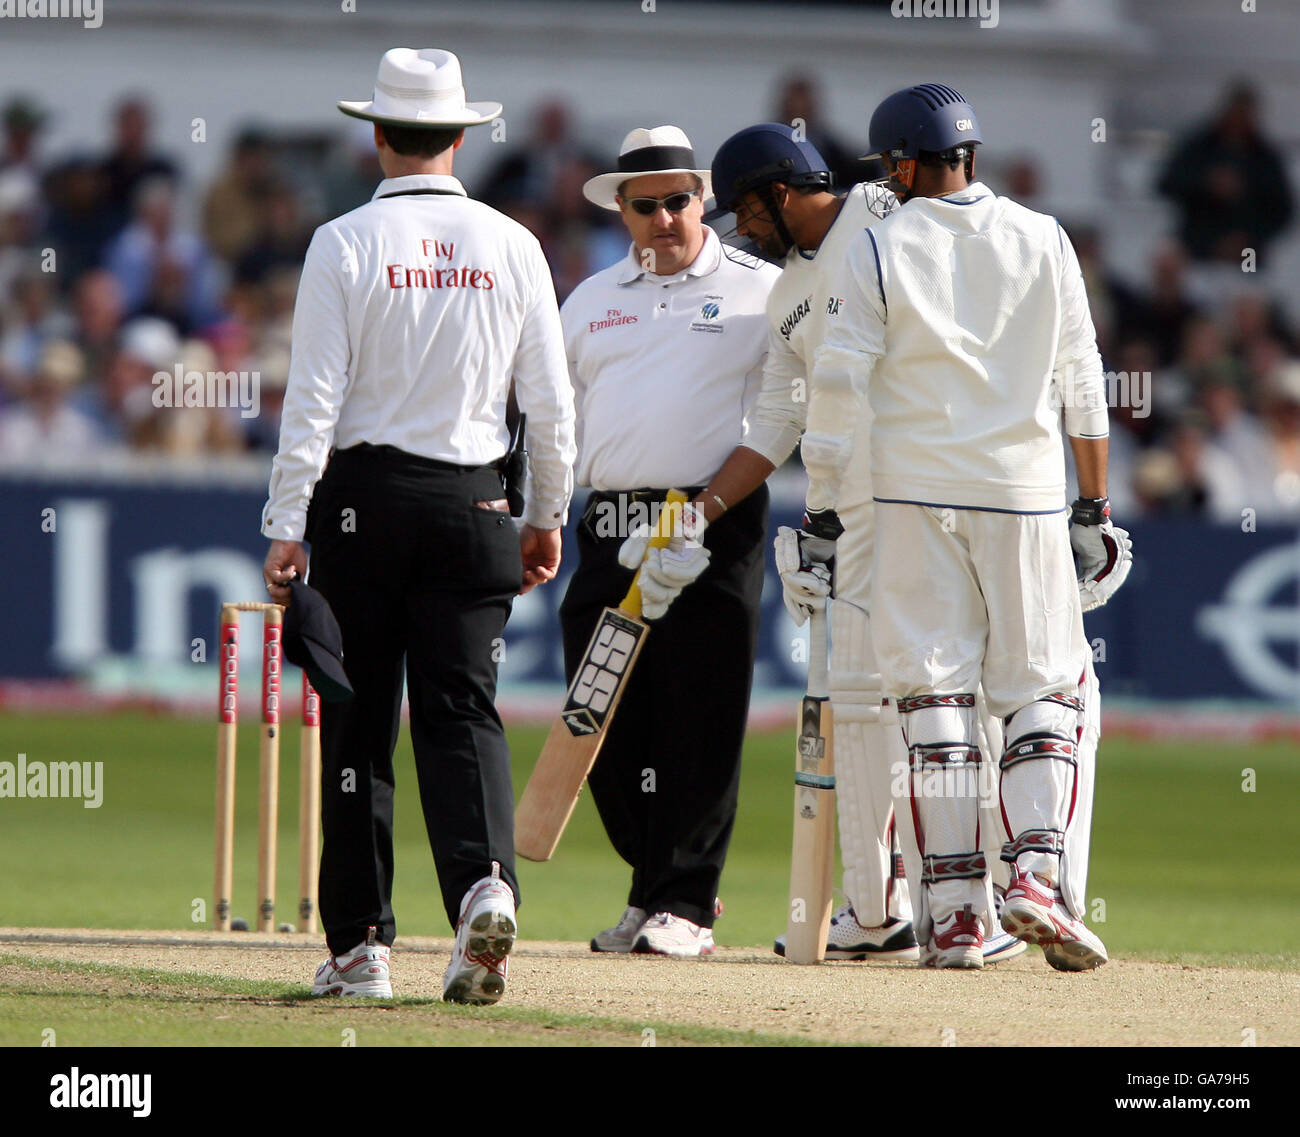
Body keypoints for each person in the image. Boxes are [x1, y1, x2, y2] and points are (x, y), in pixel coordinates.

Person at [260, 48, 576, 1004]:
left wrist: (287, 521)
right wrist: (544, 515)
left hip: (362, 504)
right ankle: (485, 886)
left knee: (357, 721)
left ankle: (359, 949)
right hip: (477, 500)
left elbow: (311, 401)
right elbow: (554, 408)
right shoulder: (515, 244)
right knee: (461, 712)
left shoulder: (343, 241)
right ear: (464, 135)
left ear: (376, 135)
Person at [686, 123, 1027, 965]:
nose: (744, 232)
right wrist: (695, 511)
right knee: (857, 695)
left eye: (748, 211)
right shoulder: (782, 295)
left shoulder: (887, 209)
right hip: (850, 509)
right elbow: (778, 419)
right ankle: (877, 908)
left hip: (937, 481)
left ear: (782, 189)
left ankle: (977, 896)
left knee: (954, 692)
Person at [808, 83, 1130, 969]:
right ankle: (1031, 875)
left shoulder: (878, 245)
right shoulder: (1044, 236)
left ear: (904, 165)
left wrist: (825, 508)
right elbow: (1083, 381)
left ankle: (952, 913)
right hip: (1023, 497)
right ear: (971, 156)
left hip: (912, 498)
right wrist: (1094, 506)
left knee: (936, 698)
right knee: (1043, 689)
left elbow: (836, 393)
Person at [558, 126, 779, 957]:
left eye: (678, 201)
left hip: (713, 515)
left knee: (701, 708)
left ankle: (685, 900)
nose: (663, 218)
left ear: (703, 201)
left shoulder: (761, 289)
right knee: (601, 711)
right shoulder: (589, 298)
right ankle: (651, 882)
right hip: (610, 518)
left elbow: (788, 413)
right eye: (644, 205)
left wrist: (706, 510)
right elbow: (558, 417)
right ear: (622, 209)